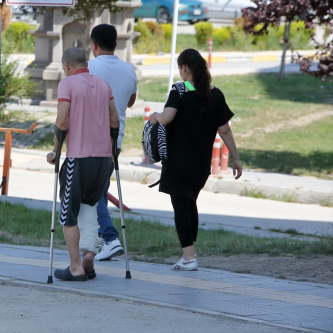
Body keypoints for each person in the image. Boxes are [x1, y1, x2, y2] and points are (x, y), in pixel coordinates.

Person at [148, 48, 243, 271]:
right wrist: (236, 159)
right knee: (190, 202)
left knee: (181, 205)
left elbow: (167, 117)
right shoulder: (215, 93)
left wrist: (154, 117)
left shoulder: (180, 90)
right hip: (201, 164)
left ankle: (189, 258)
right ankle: (190, 252)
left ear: (184, 68)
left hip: (178, 161)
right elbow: (225, 131)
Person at [46, 47, 120, 281]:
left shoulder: (67, 84)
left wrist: (56, 152)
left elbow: (62, 119)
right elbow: (114, 120)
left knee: (69, 213)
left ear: (66, 66)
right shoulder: (103, 85)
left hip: (78, 159)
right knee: (90, 207)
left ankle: (75, 267)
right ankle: (89, 254)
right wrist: (112, 150)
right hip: (103, 160)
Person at [87, 24, 138, 261]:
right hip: (116, 139)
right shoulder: (129, 69)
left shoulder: (90, 67)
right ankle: (101, 239)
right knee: (101, 189)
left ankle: (109, 238)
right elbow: (130, 102)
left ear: (93, 45)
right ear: (116, 44)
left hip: (92, 139)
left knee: (94, 192)